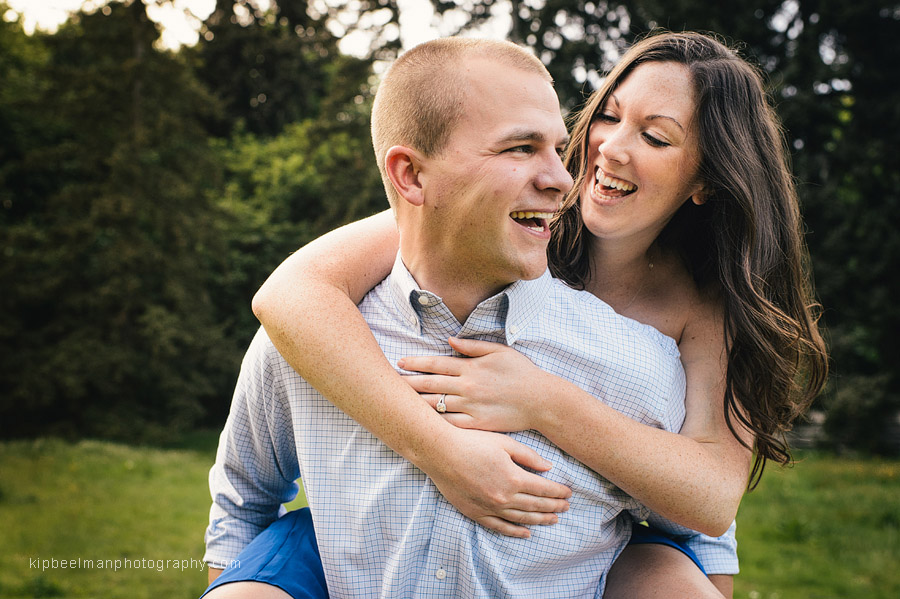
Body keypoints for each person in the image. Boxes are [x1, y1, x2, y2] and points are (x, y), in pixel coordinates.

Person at [248, 31, 828, 597]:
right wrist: (441, 449)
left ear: (705, 178)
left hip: (617, 537)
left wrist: (541, 399)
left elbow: (710, 497)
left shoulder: (706, 307)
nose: (609, 148)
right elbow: (293, 292)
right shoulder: (517, 221)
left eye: (654, 137)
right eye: (609, 115)